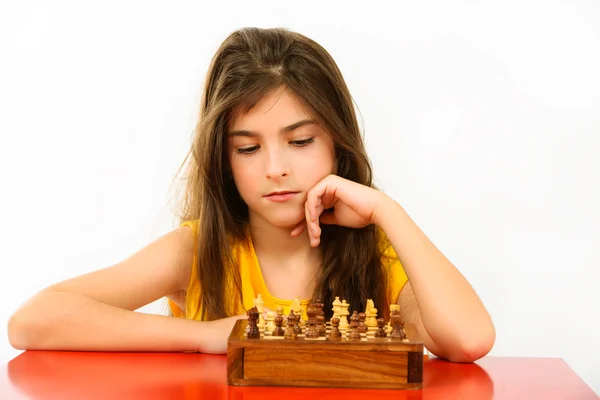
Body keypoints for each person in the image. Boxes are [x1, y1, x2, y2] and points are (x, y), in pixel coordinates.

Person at [7, 27, 495, 361]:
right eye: (247, 148)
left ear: (338, 143)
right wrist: (206, 338)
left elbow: (470, 339)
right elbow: (33, 321)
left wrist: (387, 212)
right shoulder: (197, 251)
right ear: (223, 158)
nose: (276, 169)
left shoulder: (377, 255)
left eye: (300, 142)